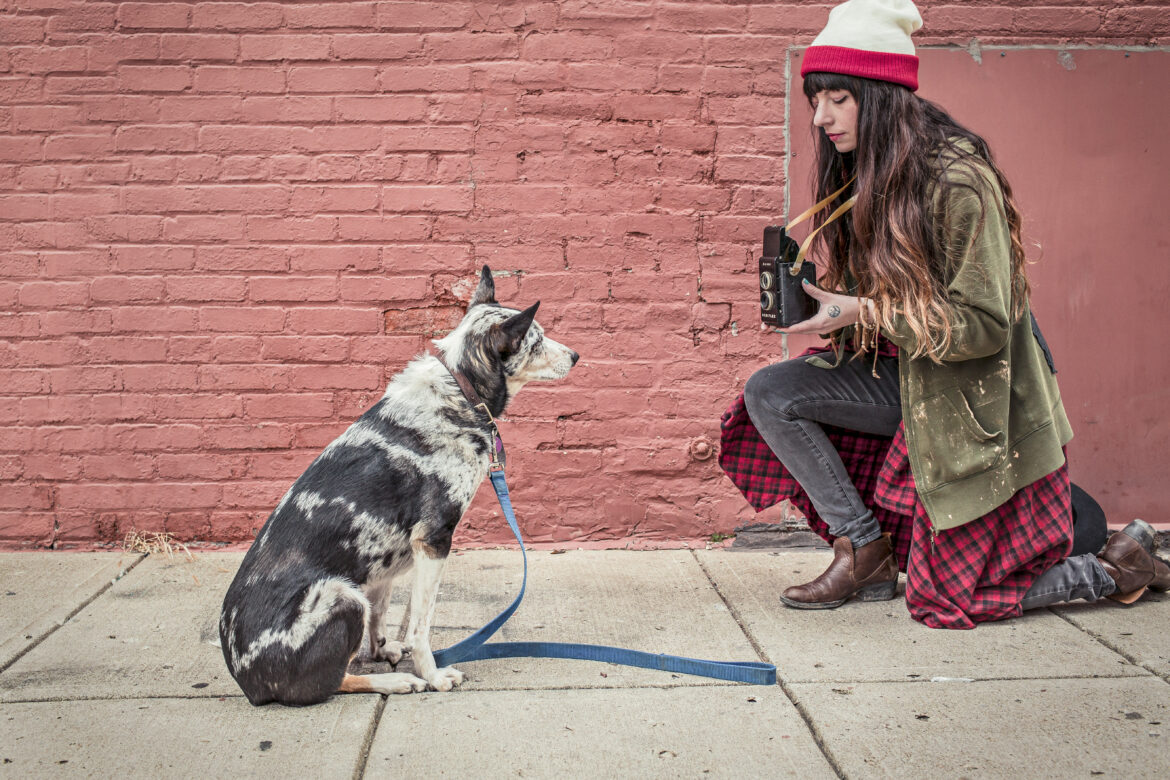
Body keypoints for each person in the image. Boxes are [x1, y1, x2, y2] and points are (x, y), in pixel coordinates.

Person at [718, 0, 1169, 629]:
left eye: (837, 98)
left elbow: (983, 326)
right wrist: (828, 307)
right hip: (904, 376)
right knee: (771, 392)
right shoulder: (866, 174)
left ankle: (1116, 570)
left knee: (943, 599)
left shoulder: (959, 181)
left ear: (879, 96)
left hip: (971, 398)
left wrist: (864, 309)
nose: (820, 117)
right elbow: (881, 302)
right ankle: (864, 549)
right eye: (814, 99)